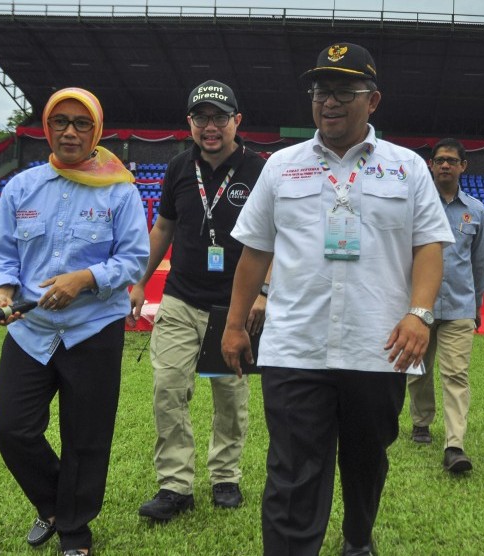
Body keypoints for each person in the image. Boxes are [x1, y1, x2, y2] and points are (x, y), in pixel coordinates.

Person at [221, 42, 453, 556]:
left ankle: (357, 537)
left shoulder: (408, 168)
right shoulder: (282, 166)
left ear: (373, 100)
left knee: (366, 460)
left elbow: (429, 248)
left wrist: (419, 315)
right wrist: (236, 324)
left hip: (379, 346)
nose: (329, 101)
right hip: (294, 347)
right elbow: (255, 253)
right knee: (292, 474)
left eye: (344, 90)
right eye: (321, 90)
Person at [0, 87, 149, 555]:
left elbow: (134, 260)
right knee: (10, 425)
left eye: (81, 123)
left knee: (87, 438)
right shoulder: (22, 187)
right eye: (61, 122)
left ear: (96, 131)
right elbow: (0, 256)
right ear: (47, 127)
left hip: (94, 329)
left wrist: (84, 279)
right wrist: (1, 291)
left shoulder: (120, 190)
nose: (70, 131)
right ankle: (54, 503)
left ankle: (74, 533)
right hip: (30, 330)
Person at [129, 79, 267, 520]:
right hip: (180, 299)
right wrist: (139, 282)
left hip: (234, 307)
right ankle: (175, 486)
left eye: (219, 117)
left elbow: (277, 237)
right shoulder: (176, 168)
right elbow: (163, 229)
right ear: (190, 122)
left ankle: (225, 476)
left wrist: (264, 292)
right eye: (201, 117)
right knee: (168, 390)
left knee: (230, 396)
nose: (211, 126)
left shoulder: (259, 169)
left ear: (236, 121)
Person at [406, 138, 484, 475]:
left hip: (459, 306)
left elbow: (479, 265)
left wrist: (477, 306)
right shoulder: (416, 206)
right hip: (419, 308)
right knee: (418, 370)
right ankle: (421, 421)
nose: (444, 165)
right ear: (430, 164)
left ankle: (455, 444)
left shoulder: (477, 211)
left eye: (451, 161)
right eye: (439, 160)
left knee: (456, 373)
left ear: (462, 167)